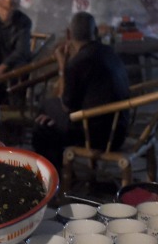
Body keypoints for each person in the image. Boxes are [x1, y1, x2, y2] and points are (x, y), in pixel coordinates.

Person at [31, 11, 131, 177]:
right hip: (119, 127)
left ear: (69, 34)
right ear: (96, 32)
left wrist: (63, 66)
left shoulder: (77, 63)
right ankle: (62, 170)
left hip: (98, 137)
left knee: (42, 125)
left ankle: (55, 178)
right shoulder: (108, 51)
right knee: (49, 113)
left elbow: (66, 105)